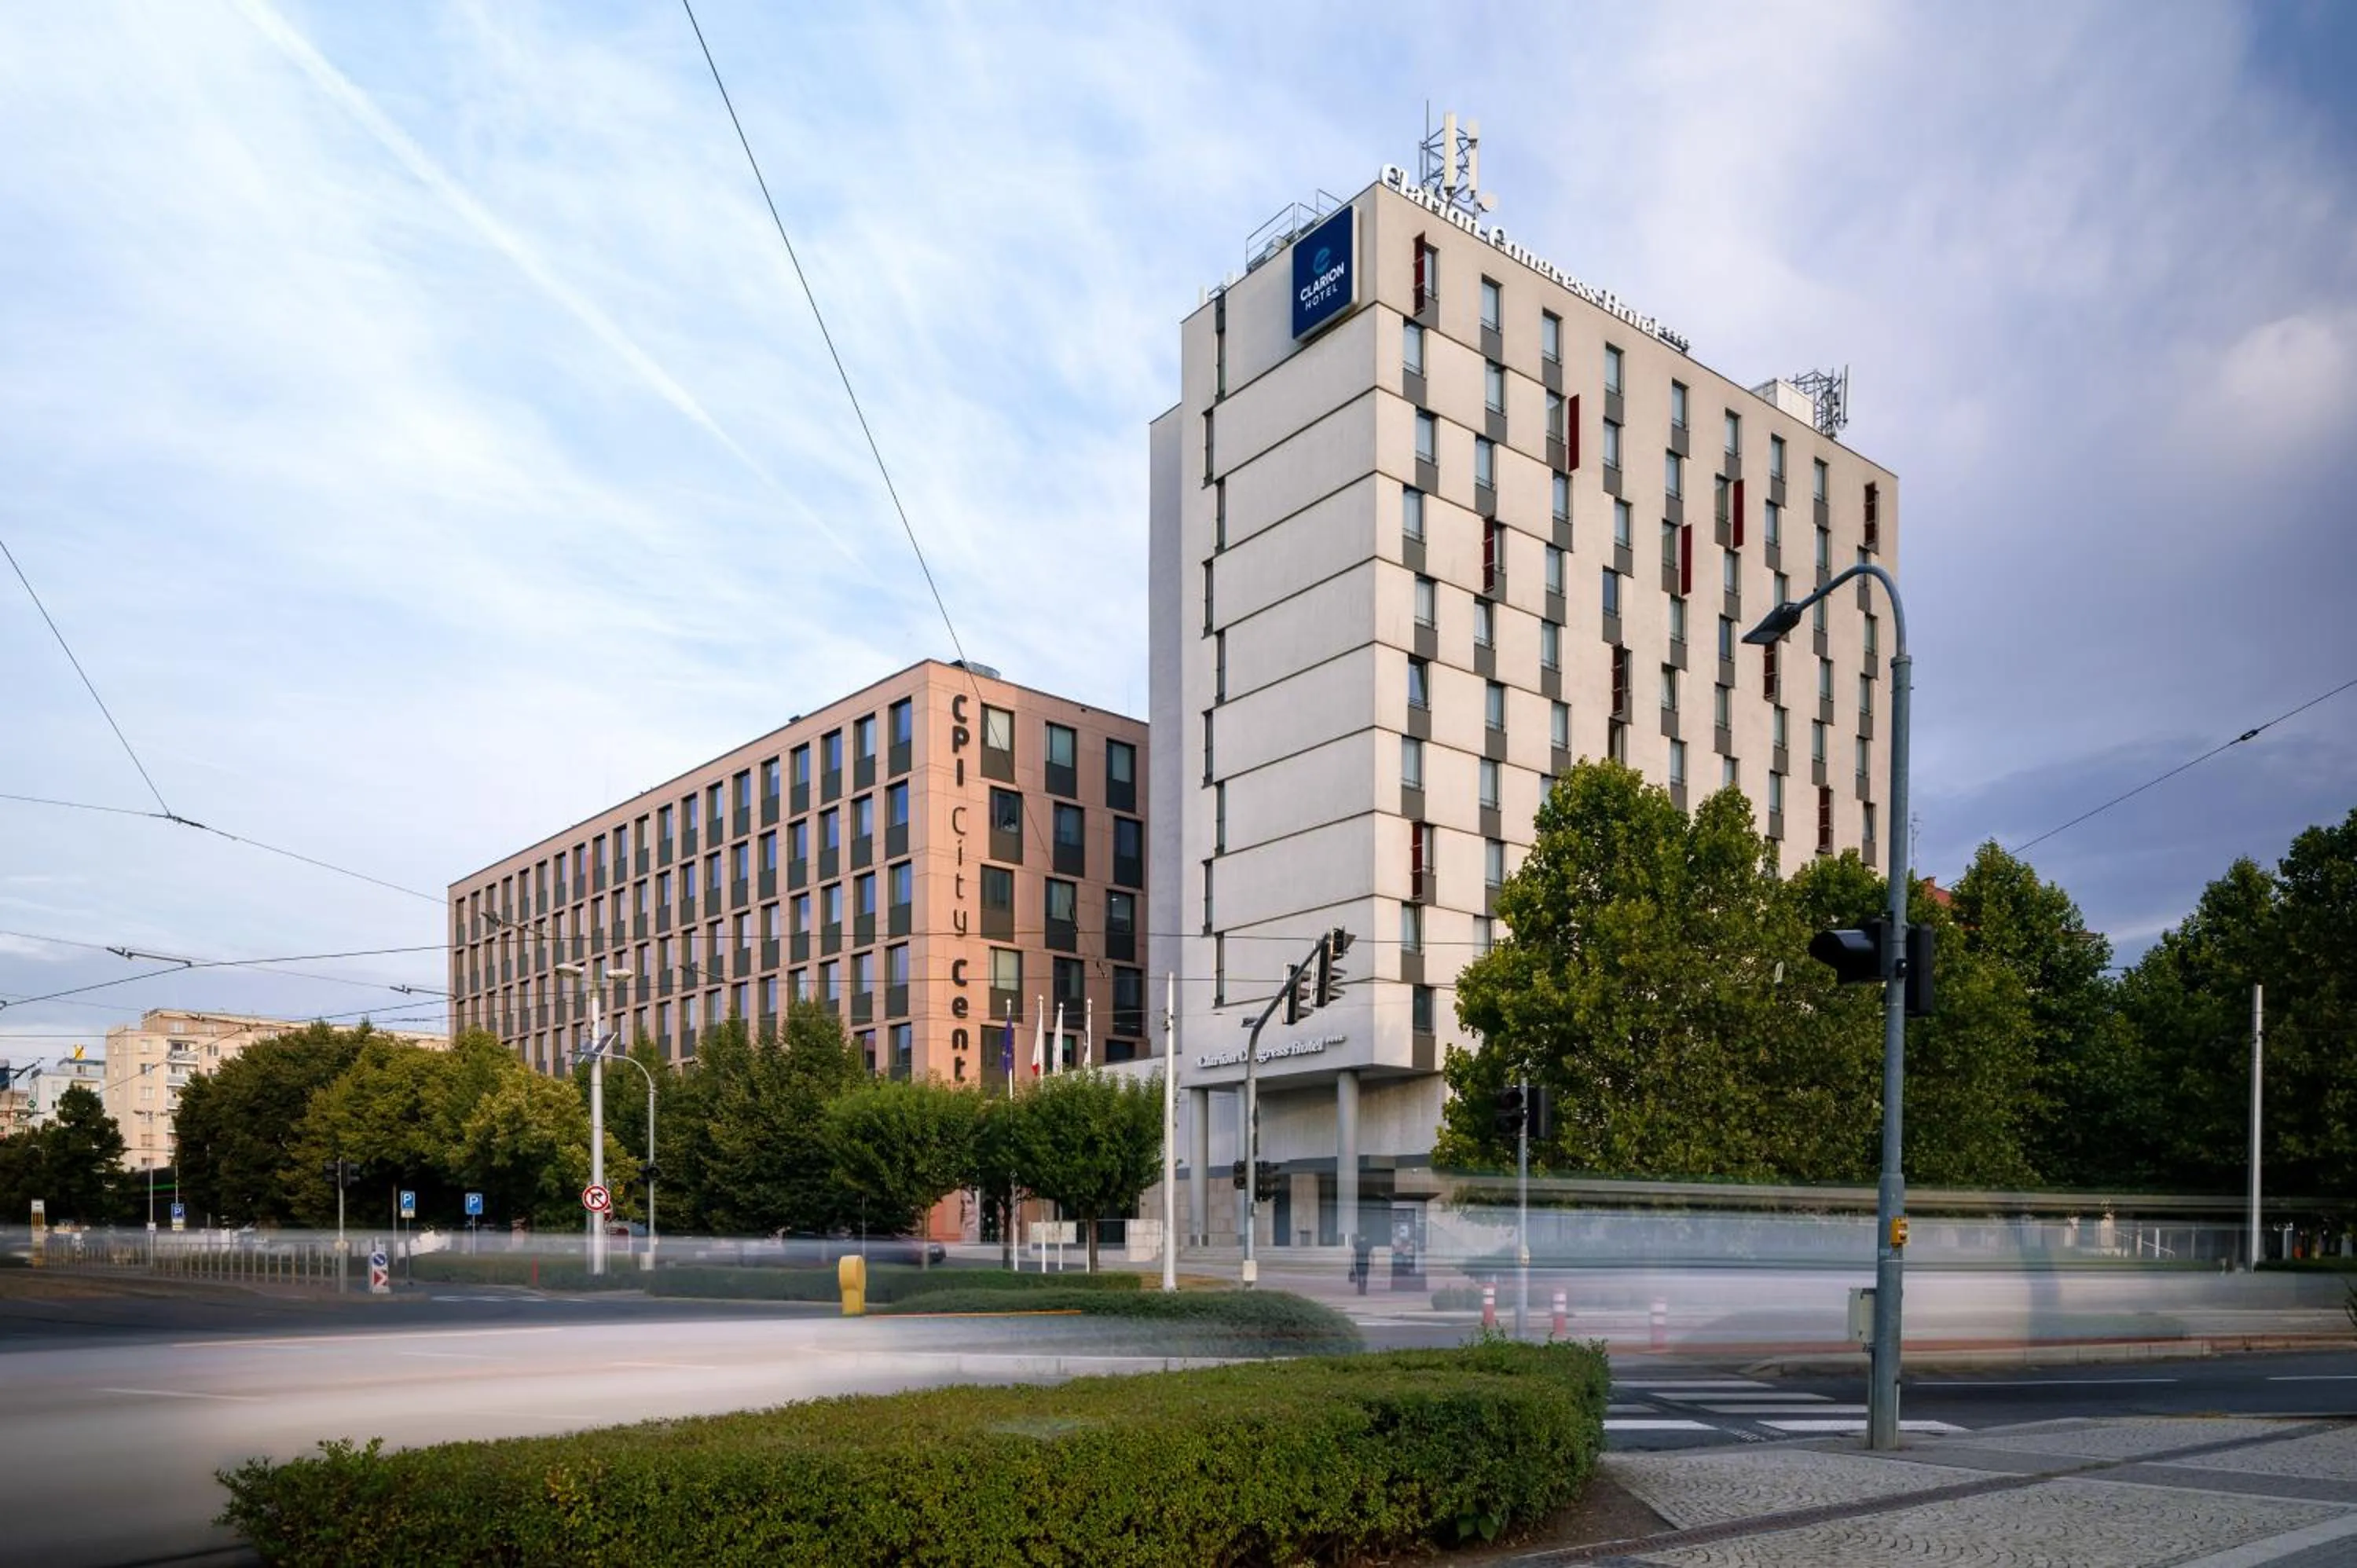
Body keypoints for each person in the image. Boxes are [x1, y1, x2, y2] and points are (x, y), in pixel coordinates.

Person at [1350, 1231, 1373, 1295]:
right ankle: (1364, 1291)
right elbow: (1372, 1254)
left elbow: (1353, 1254)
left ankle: (1360, 1290)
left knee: (1359, 1277)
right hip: (1366, 1262)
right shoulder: (1369, 1244)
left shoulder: (1357, 1244)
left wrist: (1352, 1264)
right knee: (1365, 1277)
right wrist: (1373, 1262)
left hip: (1358, 1262)